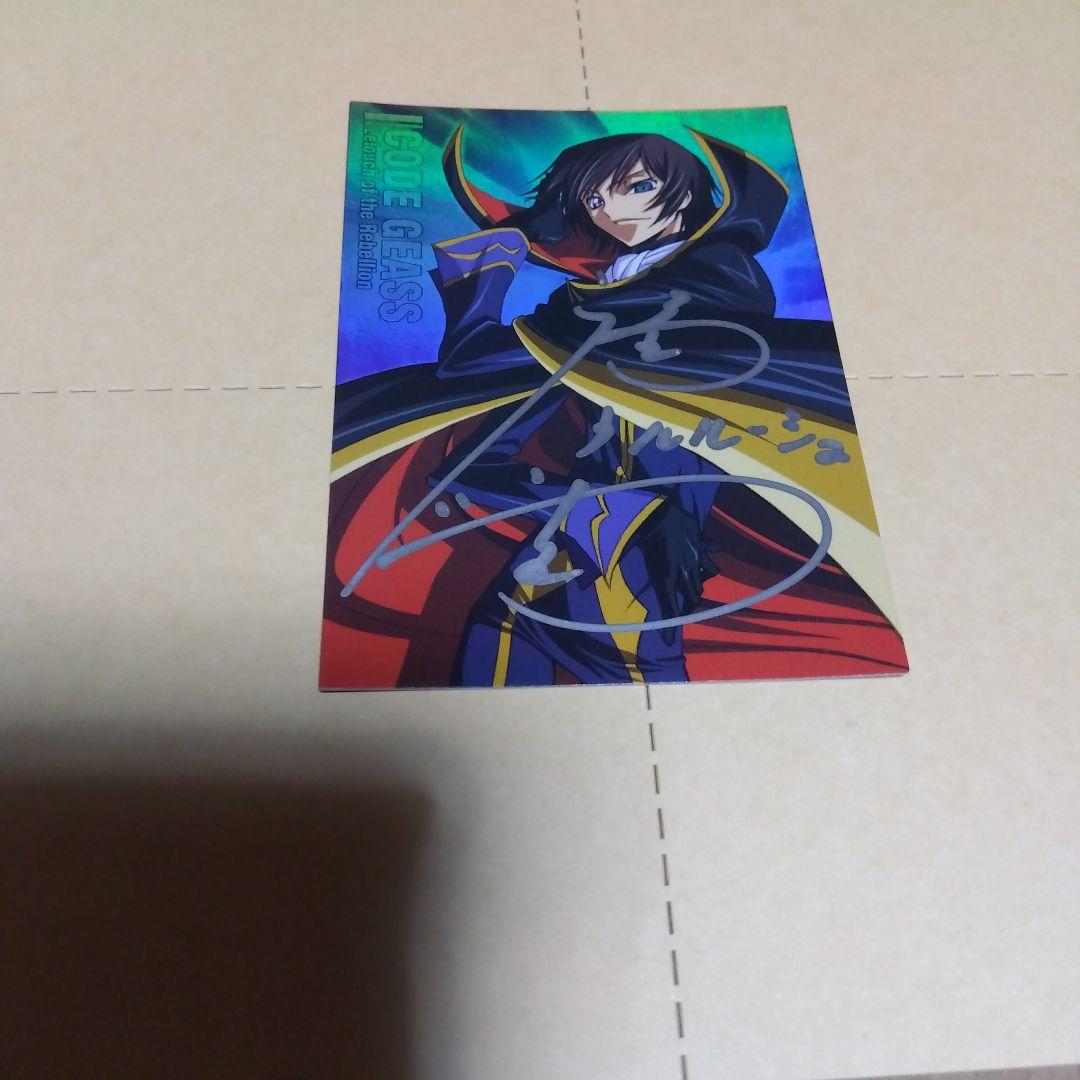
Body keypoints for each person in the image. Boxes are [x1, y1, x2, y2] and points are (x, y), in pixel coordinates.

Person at [321, 127, 906, 689]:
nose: (609, 211)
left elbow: (478, 359)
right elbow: (493, 373)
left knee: (627, 661)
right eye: (594, 200)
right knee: (499, 633)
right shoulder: (601, 297)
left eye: (636, 187)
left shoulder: (700, 283)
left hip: (639, 542)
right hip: (584, 526)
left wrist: (484, 275)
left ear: (686, 201)